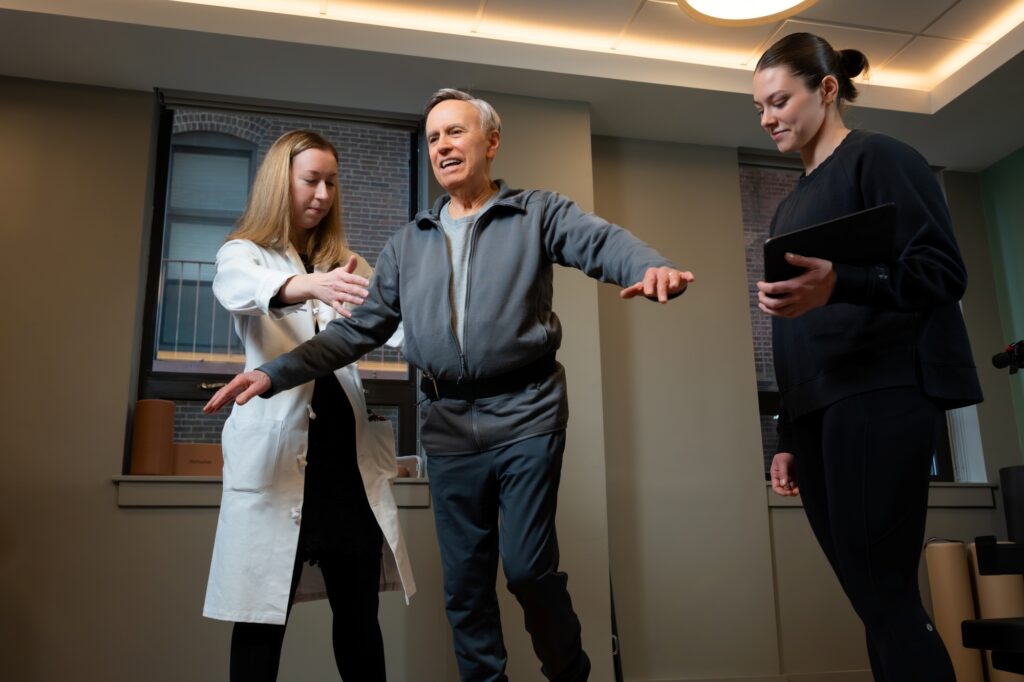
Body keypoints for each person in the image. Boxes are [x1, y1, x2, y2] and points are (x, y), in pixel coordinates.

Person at [204, 89, 693, 682]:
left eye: (455, 133)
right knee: (463, 588)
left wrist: (646, 266)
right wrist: (272, 371)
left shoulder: (535, 212)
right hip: (448, 430)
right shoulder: (407, 243)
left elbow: (599, 241)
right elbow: (351, 333)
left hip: (526, 415)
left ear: (490, 142)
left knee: (528, 571)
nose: (443, 146)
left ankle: (570, 672)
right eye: (434, 138)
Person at [752, 33, 982, 681]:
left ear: (826, 89)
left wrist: (842, 283)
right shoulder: (789, 206)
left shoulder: (880, 158)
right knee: (873, 600)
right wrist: (788, 432)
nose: (768, 117)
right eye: (760, 109)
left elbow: (940, 272)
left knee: (885, 594)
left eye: (779, 101)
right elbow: (790, 335)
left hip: (883, 395)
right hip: (820, 413)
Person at [201, 129, 415, 682]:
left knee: (360, 620)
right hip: (280, 469)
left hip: (345, 469)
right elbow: (238, 288)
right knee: (260, 623)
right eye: (310, 180)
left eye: (331, 182)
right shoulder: (243, 253)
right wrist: (307, 285)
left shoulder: (345, 261)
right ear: (282, 183)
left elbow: (394, 329)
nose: (322, 193)